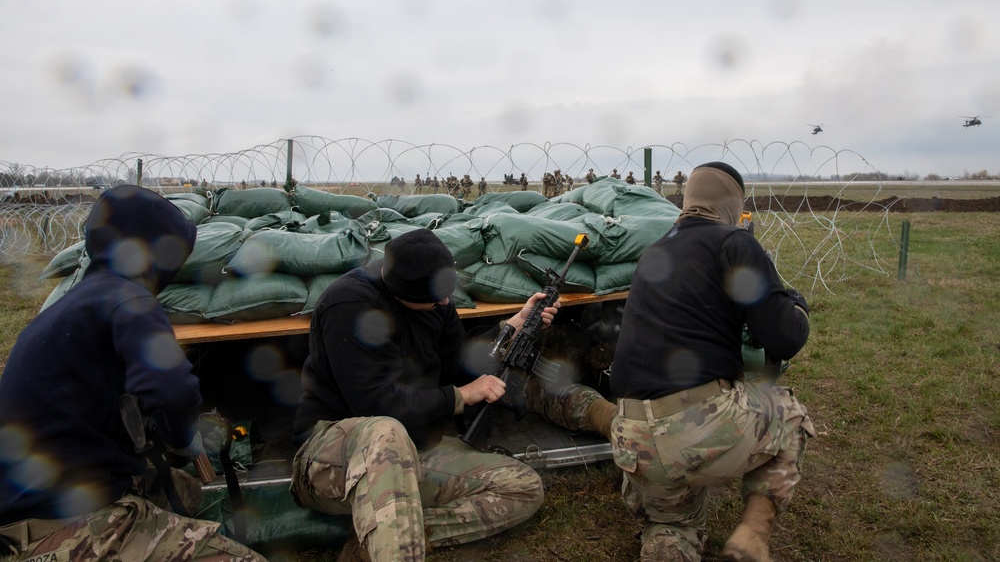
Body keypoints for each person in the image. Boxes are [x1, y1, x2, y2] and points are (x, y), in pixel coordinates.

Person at [290, 229, 617, 561]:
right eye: (434, 299)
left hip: (413, 450)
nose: (445, 304)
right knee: (385, 430)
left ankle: (380, 541)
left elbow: (457, 364)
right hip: (333, 459)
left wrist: (512, 326)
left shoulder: (435, 301)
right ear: (403, 292)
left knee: (523, 487)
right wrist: (460, 397)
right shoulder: (350, 304)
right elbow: (378, 404)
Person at [0, 185, 265, 562]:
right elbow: (173, 391)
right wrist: (181, 433)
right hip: (65, 528)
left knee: (183, 490)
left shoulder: (67, 310)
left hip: (21, 516)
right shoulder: (130, 298)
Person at [609, 162, 814, 562]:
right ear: (734, 208)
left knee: (674, 525)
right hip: (695, 432)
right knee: (789, 415)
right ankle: (752, 537)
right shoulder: (733, 243)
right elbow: (786, 336)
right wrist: (794, 302)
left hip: (633, 442)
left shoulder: (654, 252)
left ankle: (667, 541)